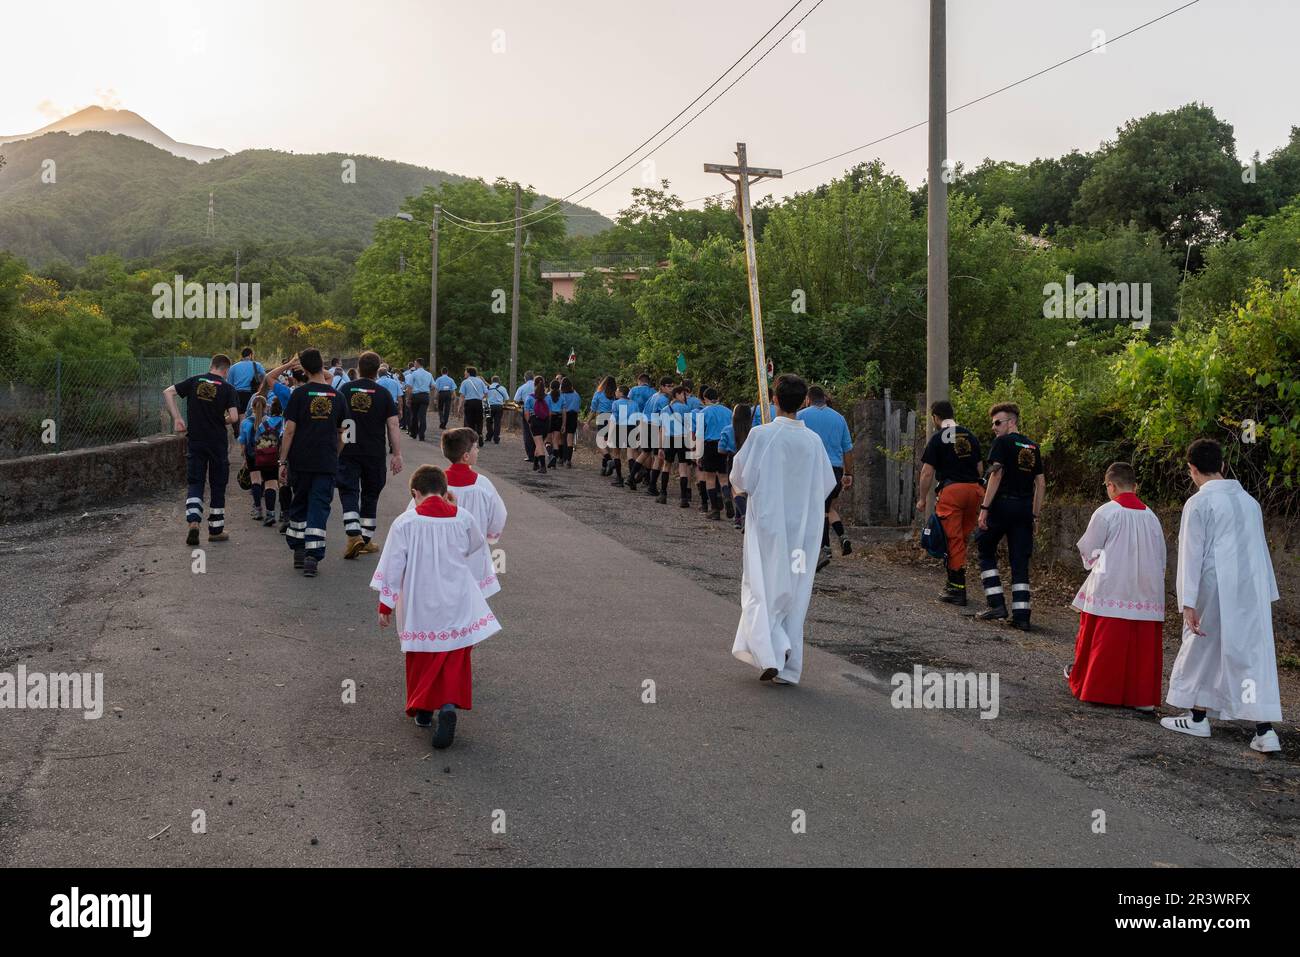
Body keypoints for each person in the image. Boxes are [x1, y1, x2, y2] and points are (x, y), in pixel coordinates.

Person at [1160, 440, 1282, 753]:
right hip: (1251, 587)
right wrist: (1266, 590)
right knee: (1249, 654)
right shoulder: (1250, 502)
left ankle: (1198, 716)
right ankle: (1264, 729)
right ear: (1223, 466)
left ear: (1192, 469)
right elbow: (1259, 549)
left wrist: (1187, 601)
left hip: (1214, 585)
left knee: (1203, 646)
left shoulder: (1199, 503)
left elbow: (1191, 552)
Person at [373, 464, 501, 749]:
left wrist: (385, 604)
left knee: (422, 654)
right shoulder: (463, 518)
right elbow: (475, 545)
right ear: (446, 492)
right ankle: (447, 707)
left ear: (415, 493)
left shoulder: (405, 523)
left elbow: (394, 566)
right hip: (456, 598)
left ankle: (423, 710)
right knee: (453, 655)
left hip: (420, 601)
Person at [730, 375, 836, 685]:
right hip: (803, 532)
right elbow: (826, 484)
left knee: (761, 586)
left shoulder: (762, 435)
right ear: (803, 402)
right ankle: (786, 660)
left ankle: (773, 649)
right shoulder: (813, 442)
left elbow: (741, 479)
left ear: (775, 399)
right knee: (795, 590)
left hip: (769, 528)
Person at [1062, 462, 1166, 711]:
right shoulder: (1152, 517)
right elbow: (1161, 556)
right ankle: (1140, 699)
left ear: (1111, 485)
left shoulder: (1107, 512)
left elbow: (1090, 551)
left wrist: (1102, 563)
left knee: (1106, 641)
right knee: (1140, 645)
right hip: (1146, 590)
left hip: (1112, 586)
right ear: (1135, 485)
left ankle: (1100, 690)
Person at [278, 348, 348, 577]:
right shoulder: (338, 397)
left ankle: (298, 550)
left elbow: (289, 431)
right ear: (322, 366)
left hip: (301, 460)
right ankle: (312, 557)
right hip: (326, 462)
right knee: (319, 506)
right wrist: (335, 453)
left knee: (300, 503)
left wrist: (282, 461)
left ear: (305, 369)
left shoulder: (298, 395)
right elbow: (346, 434)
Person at [975, 403, 1044, 631]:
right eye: (992, 423)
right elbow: (1040, 483)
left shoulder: (1002, 443)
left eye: (998, 422)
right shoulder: (1033, 447)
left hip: (1002, 505)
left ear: (1011, 422)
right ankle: (1022, 616)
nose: (994, 427)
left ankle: (996, 604)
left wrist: (984, 508)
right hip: (1024, 509)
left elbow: (996, 474)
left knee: (984, 546)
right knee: (1019, 561)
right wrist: (1035, 514)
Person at [163, 354, 239, 546]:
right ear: (226, 370)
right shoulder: (228, 388)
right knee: (217, 484)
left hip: (196, 440)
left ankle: (194, 523)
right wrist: (223, 420)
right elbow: (235, 417)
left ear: (211, 366)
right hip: (217, 443)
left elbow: (168, 392)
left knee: (195, 482)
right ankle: (215, 530)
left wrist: (178, 419)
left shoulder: (195, 381)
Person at [915, 400, 984, 605]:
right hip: (974, 490)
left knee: (951, 539)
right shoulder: (970, 436)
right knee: (961, 539)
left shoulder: (938, 438)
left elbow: (927, 473)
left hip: (952, 491)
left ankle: (957, 588)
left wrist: (921, 498)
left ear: (935, 417)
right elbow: (980, 469)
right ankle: (953, 584)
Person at [338, 351, 404, 559]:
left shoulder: (345, 390)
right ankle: (364, 539)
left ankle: (354, 534)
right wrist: (397, 453)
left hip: (348, 447)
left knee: (348, 490)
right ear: (378, 371)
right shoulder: (383, 393)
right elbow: (393, 424)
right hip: (374, 450)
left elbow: (337, 422)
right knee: (371, 492)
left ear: (358, 367)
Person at [437, 427, 507, 597]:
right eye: (476, 447)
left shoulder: (436, 483)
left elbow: (416, 511)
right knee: (473, 601)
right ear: (466, 456)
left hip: (441, 550)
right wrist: (490, 536)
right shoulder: (483, 485)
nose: (478, 450)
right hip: (474, 551)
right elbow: (499, 515)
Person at [797, 385, 855, 569]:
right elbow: (847, 449)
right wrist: (848, 473)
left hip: (811, 467)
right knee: (826, 507)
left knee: (817, 510)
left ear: (808, 399)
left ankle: (825, 548)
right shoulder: (839, 418)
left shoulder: (801, 416)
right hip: (835, 469)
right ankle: (839, 538)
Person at [698, 387, 734, 521]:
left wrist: (698, 453)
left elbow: (700, 435)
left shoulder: (703, 412)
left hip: (709, 445)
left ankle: (714, 509)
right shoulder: (728, 411)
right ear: (717, 397)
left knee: (710, 478)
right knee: (724, 478)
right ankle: (727, 499)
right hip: (724, 445)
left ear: (705, 399)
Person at [238, 394, 272, 521]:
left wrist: (244, 458)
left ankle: (258, 509)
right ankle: (271, 512)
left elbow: (243, 442)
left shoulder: (245, 423)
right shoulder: (270, 421)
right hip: (268, 454)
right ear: (265, 407)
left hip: (252, 455)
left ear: (252, 407)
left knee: (255, 480)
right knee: (268, 481)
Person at [720, 403, 750, 530]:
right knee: (746, 490)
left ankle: (744, 516)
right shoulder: (753, 430)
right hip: (749, 460)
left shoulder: (727, 429)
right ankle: (738, 519)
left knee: (736, 490)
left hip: (733, 459)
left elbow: (720, 449)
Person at [227, 347, 266, 429]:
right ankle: (245, 434)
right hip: (250, 394)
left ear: (242, 356)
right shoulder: (257, 365)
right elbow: (265, 378)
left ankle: (238, 434)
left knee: (237, 415)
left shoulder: (233, 367)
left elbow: (229, 384)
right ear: (251, 355)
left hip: (236, 394)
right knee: (247, 415)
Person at [606, 385, 635, 487]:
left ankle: (619, 478)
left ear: (622, 393)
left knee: (616, 453)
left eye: (617, 391)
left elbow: (614, 418)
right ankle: (632, 480)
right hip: (632, 428)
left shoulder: (616, 403)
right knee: (630, 454)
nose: (615, 393)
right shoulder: (634, 403)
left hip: (620, 427)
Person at [523, 376, 550, 474]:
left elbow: (526, 413)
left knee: (538, 444)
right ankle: (535, 463)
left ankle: (543, 466)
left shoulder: (530, 397)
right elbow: (550, 412)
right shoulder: (548, 397)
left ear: (534, 385)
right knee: (540, 443)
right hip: (546, 421)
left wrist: (529, 422)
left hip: (535, 421)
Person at [590, 376, 616, 476]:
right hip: (613, 419)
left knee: (601, 443)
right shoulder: (615, 395)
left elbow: (593, 409)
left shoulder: (599, 394)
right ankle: (604, 467)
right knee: (607, 443)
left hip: (602, 418)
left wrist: (588, 422)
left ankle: (609, 461)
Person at [405, 359, 434, 441]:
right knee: (423, 416)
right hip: (425, 396)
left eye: (415, 363)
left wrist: (408, 398)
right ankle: (422, 435)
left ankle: (414, 433)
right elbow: (433, 386)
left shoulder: (414, 374)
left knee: (414, 415)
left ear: (417, 364)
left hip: (416, 396)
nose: (414, 365)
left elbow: (409, 388)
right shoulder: (429, 374)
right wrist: (427, 389)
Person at [459, 366, 489, 447]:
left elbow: (462, 396)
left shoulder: (465, 382)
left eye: (465, 371)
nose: (464, 373)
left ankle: (471, 440)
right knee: (479, 420)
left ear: (468, 373)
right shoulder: (480, 381)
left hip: (469, 403)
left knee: (469, 421)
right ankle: (480, 434)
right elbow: (486, 393)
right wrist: (483, 402)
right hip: (479, 403)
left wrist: (460, 406)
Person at [514, 371, 537, 462]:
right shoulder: (538, 386)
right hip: (538, 411)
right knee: (537, 433)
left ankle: (530, 455)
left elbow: (516, 400)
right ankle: (538, 453)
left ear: (525, 378)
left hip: (527, 411)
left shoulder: (522, 388)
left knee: (527, 433)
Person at [558, 376, 581, 468]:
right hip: (573, 416)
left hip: (563, 416)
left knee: (560, 437)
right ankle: (568, 460)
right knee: (570, 439)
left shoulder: (561, 395)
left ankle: (560, 458)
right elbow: (578, 407)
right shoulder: (576, 395)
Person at [545, 379, 564, 470]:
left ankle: (550, 455)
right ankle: (554, 462)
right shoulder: (562, 397)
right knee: (556, 441)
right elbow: (564, 411)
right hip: (559, 418)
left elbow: (546, 410)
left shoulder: (547, 396)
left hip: (550, 419)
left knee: (547, 440)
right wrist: (563, 423)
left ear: (550, 387)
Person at [485, 375, 509, 445]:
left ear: (492, 381)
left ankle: (489, 436)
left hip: (488, 406)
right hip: (499, 406)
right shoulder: (502, 388)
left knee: (488, 422)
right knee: (497, 422)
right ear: (499, 381)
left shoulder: (487, 388)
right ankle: (496, 438)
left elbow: (483, 397)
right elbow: (507, 398)